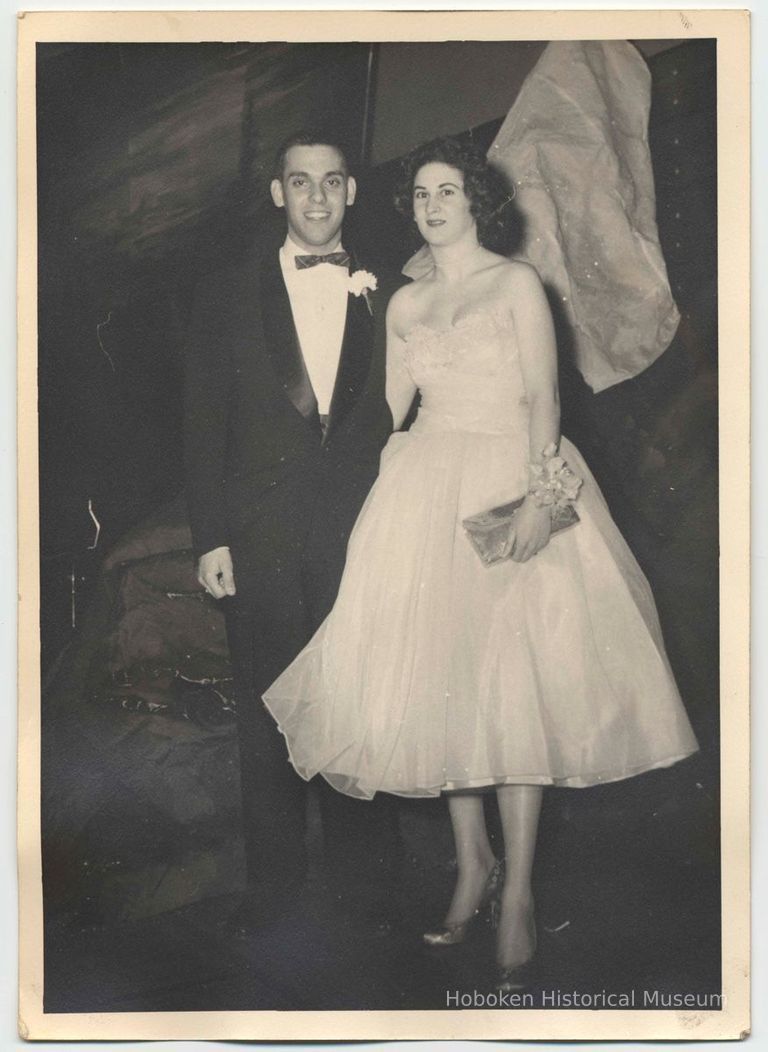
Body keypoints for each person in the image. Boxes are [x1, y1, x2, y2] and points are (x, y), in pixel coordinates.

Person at [262, 137, 698, 986]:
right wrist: (319, 473)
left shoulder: (515, 284)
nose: (431, 206)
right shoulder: (405, 303)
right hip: (424, 488)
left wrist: (543, 498)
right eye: (421, 194)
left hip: (508, 478)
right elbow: (389, 408)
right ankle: (471, 867)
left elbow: (545, 396)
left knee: (511, 686)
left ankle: (523, 890)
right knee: (441, 681)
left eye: (447, 192)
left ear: (477, 203)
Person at [183, 131, 403, 927]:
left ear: (352, 192)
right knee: (268, 712)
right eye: (300, 182)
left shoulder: (392, 291)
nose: (317, 198)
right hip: (260, 537)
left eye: (332, 182)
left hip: (364, 533)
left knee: (357, 705)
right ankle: (273, 896)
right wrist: (211, 535)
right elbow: (203, 422)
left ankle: (368, 895)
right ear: (278, 192)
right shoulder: (224, 292)